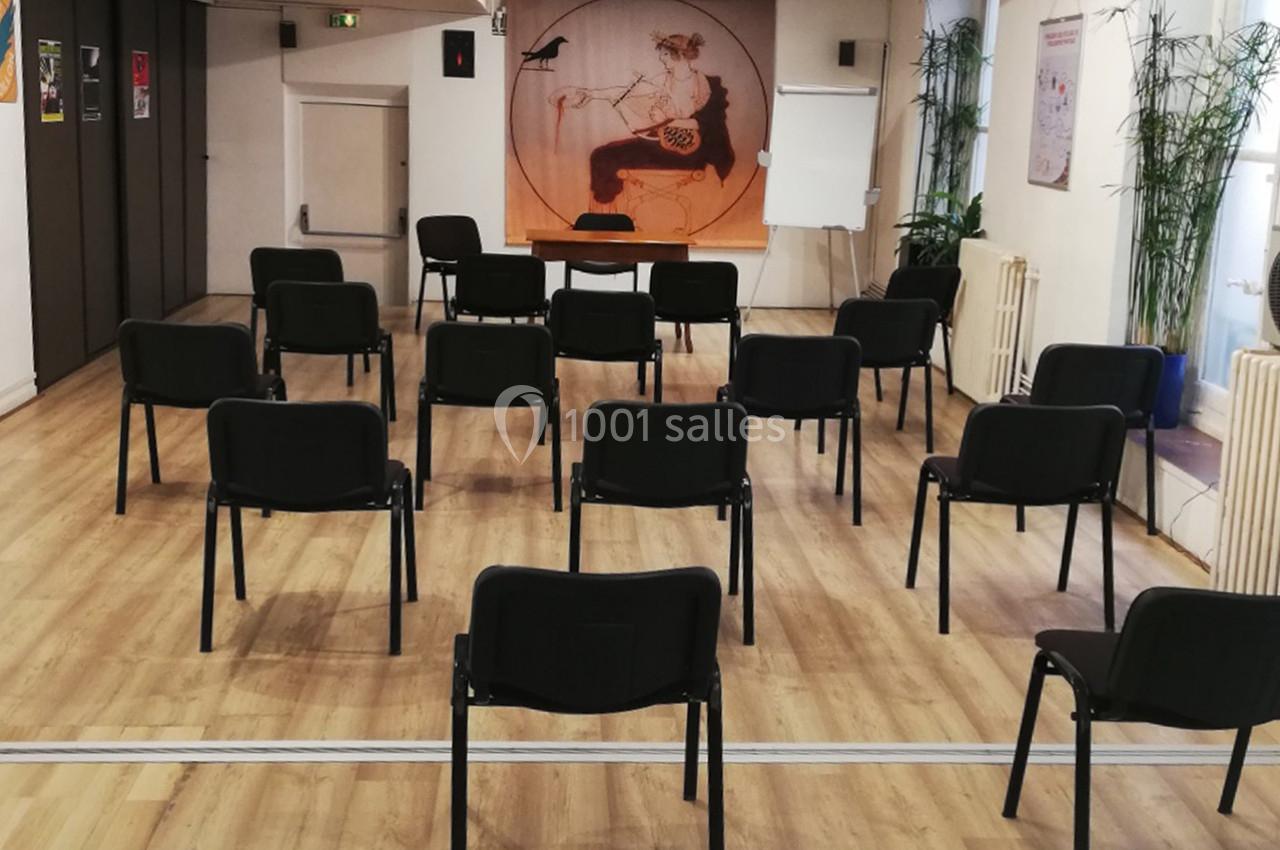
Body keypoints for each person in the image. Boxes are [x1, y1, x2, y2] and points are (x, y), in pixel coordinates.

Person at [551, 32, 736, 207]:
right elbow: (624, 92)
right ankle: (606, 213)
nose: (661, 59)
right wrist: (591, 94)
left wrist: (668, 121)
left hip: (691, 153)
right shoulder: (662, 80)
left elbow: (708, 125)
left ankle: (607, 214)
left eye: (664, 54)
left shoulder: (708, 85)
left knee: (605, 157)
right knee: (602, 156)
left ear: (678, 55)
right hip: (660, 146)